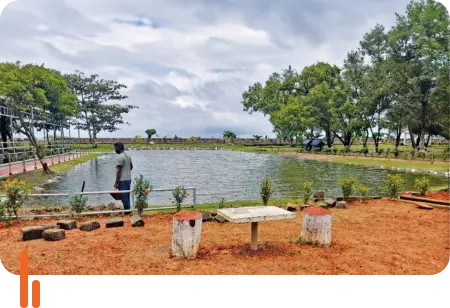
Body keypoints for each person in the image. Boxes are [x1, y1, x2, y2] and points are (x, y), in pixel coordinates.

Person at [114, 142, 133, 215]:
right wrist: (126, 171)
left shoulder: (120, 157)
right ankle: (127, 211)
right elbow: (131, 167)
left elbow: (119, 170)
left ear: (118, 148)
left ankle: (127, 213)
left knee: (124, 197)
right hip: (128, 179)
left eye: (115, 148)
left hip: (122, 180)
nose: (115, 150)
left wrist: (116, 182)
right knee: (126, 196)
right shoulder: (128, 156)